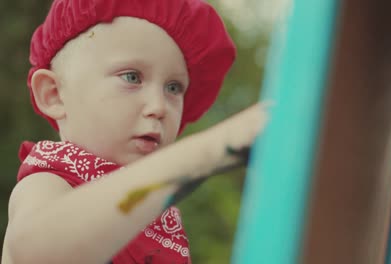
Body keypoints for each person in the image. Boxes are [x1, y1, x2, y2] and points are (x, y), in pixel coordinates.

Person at [1, 0, 269, 263]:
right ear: (55, 94)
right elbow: (37, 252)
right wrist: (210, 149)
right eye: (131, 77)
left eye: (174, 88)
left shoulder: (159, 217)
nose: (159, 106)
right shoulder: (50, 182)